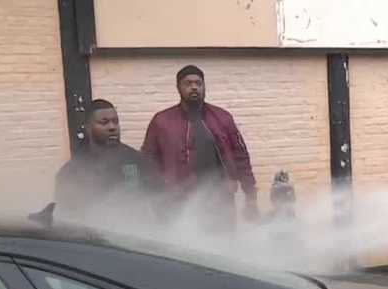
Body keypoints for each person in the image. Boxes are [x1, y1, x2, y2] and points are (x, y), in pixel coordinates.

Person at [142, 65, 258, 229]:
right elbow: (148, 161)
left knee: (223, 245)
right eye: (188, 83)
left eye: (198, 83)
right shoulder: (161, 121)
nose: (194, 87)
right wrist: (160, 193)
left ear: (204, 86)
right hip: (178, 202)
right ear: (178, 88)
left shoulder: (222, 118)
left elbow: (241, 157)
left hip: (220, 200)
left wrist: (250, 194)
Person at [53, 99, 158, 226]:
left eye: (115, 122)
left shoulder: (135, 160)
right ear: (88, 127)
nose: (112, 127)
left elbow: (156, 197)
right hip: (94, 239)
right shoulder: (73, 171)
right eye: (104, 123)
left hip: (134, 235)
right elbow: (66, 214)